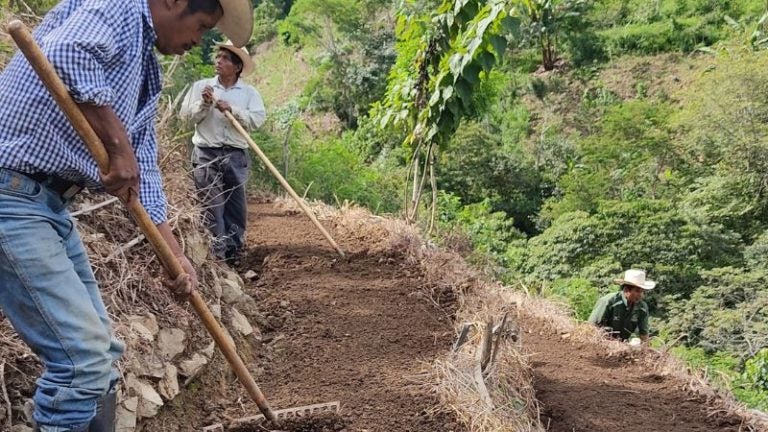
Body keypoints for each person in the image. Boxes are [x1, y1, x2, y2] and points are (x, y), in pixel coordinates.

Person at [0, 0, 252, 430]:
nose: (199, 41)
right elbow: (67, 54)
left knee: (101, 357)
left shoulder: (142, 66)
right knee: (82, 363)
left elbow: (144, 169)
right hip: (13, 196)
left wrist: (176, 256)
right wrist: (118, 147)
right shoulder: (118, 7)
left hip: (48, 204)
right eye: (201, 25)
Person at [180, 41, 266, 265]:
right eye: (218, 57)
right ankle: (217, 255)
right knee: (212, 206)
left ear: (237, 67)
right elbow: (185, 118)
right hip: (206, 153)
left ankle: (233, 252)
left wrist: (233, 111)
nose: (219, 61)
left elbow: (257, 120)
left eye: (226, 59)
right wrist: (204, 104)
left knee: (235, 206)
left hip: (236, 155)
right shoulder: (202, 87)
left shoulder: (249, 93)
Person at [588, 269, 656, 342]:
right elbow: (591, 327)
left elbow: (644, 334)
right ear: (626, 290)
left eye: (642, 291)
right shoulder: (608, 301)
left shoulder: (642, 307)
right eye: (637, 291)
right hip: (602, 342)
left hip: (622, 344)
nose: (641, 295)